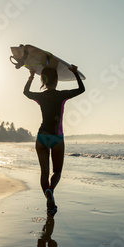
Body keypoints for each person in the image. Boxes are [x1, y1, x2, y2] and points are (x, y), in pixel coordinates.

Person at [24, 65, 85, 216]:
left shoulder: (40, 96)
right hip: (56, 138)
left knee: (44, 172)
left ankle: (49, 200)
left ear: (42, 79)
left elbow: (26, 92)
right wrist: (75, 73)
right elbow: (81, 89)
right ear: (57, 80)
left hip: (42, 137)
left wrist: (31, 76)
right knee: (56, 171)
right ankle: (51, 191)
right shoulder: (62, 95)